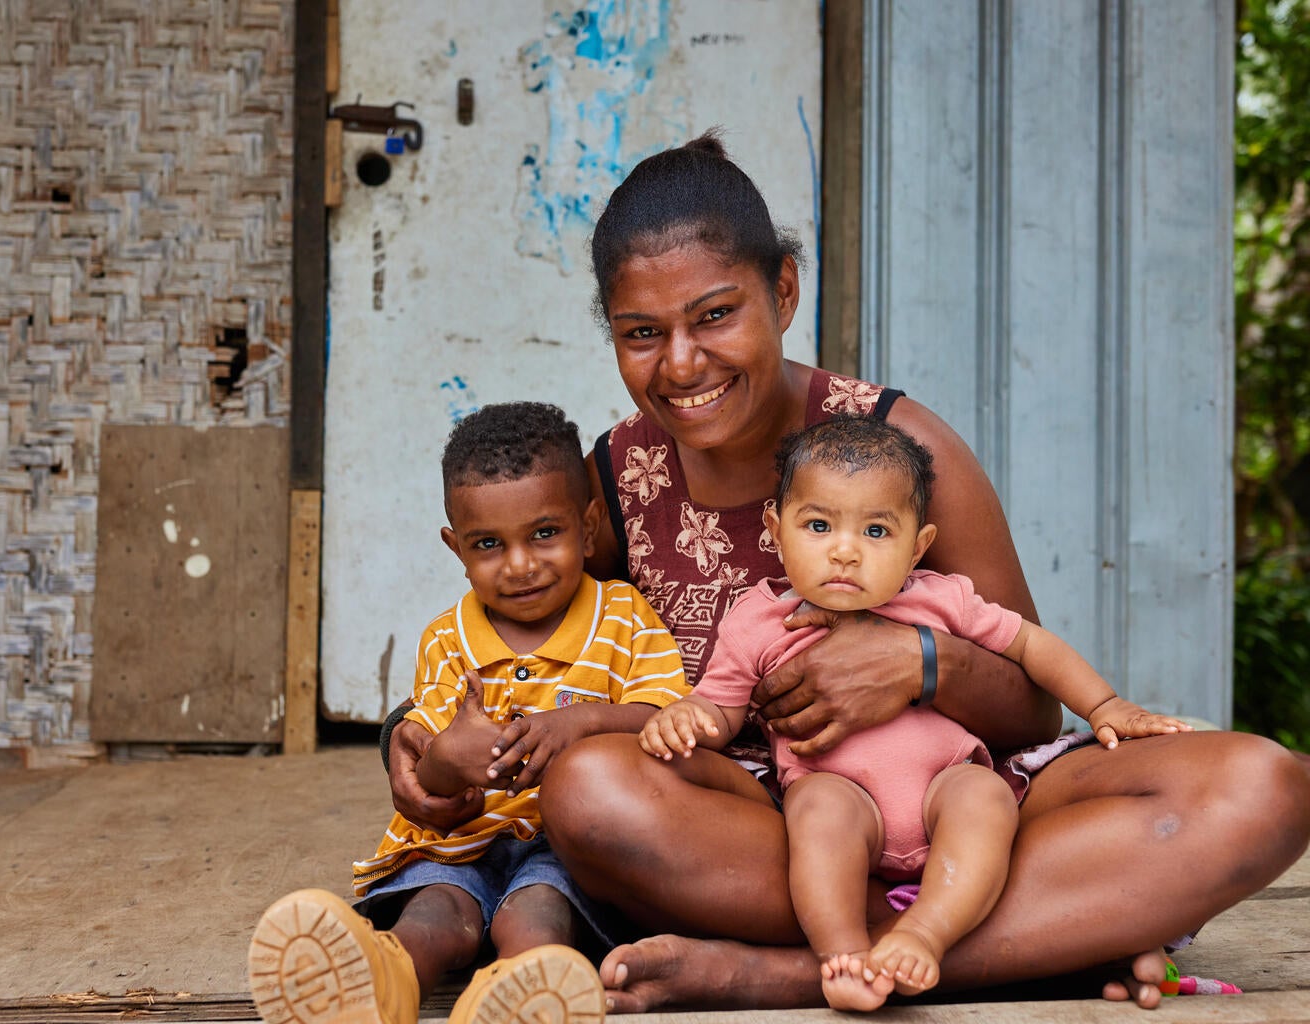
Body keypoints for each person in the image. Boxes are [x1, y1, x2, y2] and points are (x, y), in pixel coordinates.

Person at [384, 131, 1310, 1012]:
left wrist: (920, 661)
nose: (681, 363)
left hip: (967, 799)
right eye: (641, 333)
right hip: (768, 826)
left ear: (782, 292)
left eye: (715, 316)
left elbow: (1036, 710)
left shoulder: (900, 447)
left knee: (1265, 788)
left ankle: (782, 975)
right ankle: (1054, 937)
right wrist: (412, 734)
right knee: (589, 790)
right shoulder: (616, 479)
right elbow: (513, 616)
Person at [639, 415, 1193, 1010]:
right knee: (818, 812)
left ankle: (925, 934)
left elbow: (1031, 646)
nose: (846, 552)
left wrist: (1104, 704)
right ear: (776, 530)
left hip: (942, 785)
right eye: (819, 525)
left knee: (983, 797)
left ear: (917, 545)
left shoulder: (939, 597)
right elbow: (721, 710)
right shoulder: (758, 620)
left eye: (877, 531)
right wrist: (687, 716)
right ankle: (842, 955)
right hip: (841, 793)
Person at [248, 402, 690, 1024]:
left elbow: (667, 716)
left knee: (535, 911)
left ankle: (526, 991)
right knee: (438, 914)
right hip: (460, 841)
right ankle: (383, 978)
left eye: (545, 533)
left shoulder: (622, 618)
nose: (520, 565)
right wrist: (447, 761)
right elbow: (422, 782)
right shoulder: (447, 640)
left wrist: (581, 723)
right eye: (488, 544)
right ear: (456, 548)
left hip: (562, 842)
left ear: (589, 528)